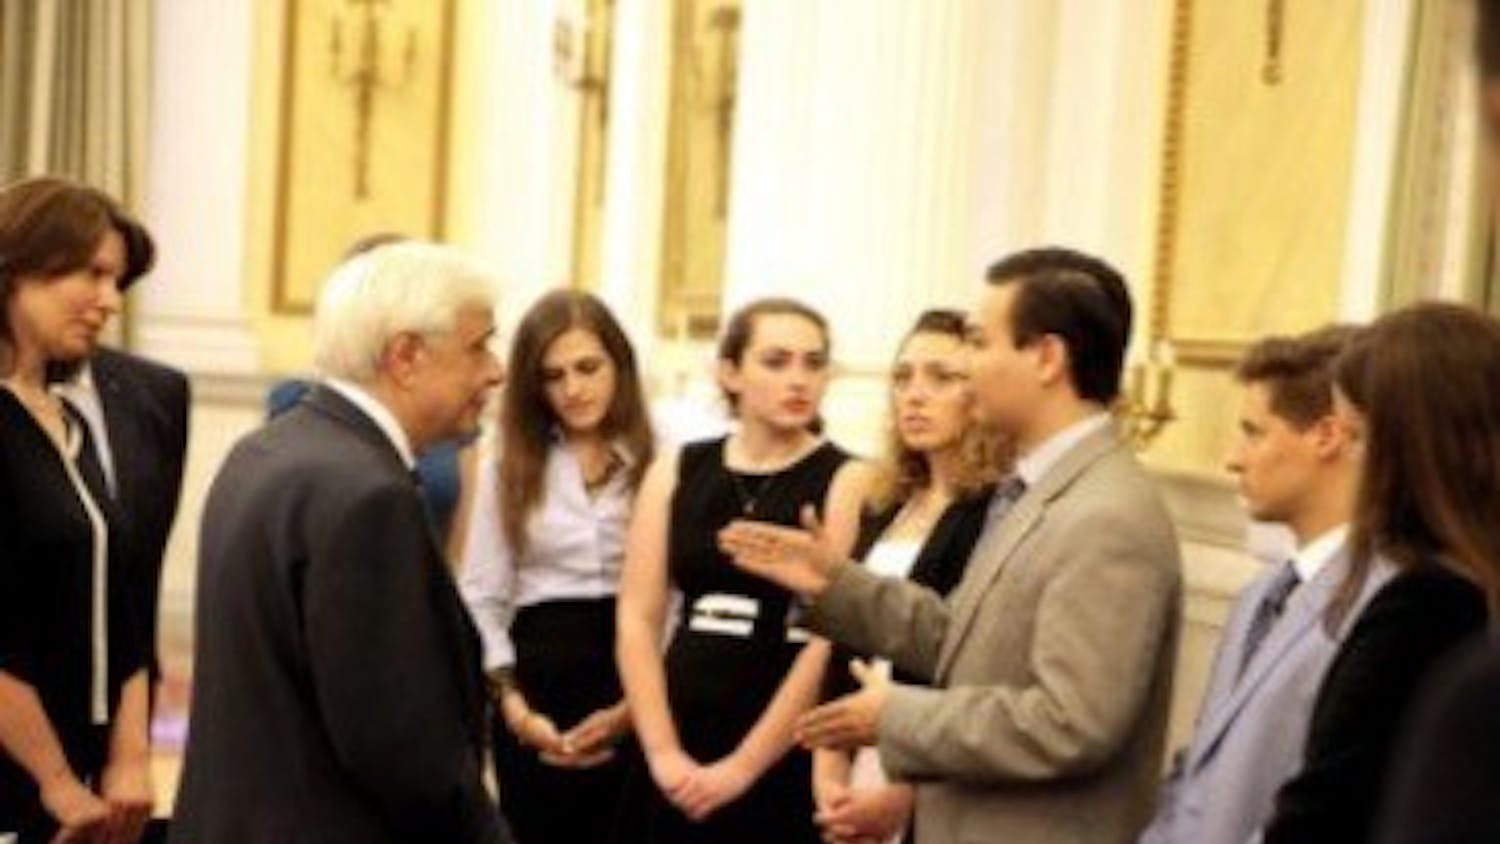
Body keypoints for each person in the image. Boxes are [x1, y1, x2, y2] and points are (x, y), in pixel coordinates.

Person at [720, 248, 1182, 844]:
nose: (969, 365)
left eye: (981, 343)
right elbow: (958, 635)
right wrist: (835, 584)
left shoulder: (1107, 513)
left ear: (1046, 358)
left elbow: (1071, 724)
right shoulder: (1036, 489)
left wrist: (896, 717)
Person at [169, 243, 511, 843]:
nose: (496, 370)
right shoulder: (368, 496)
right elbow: (401, 746)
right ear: (406, 356)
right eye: (478, 345)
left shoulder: (268, 451)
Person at [613, 298, 870, 844]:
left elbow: (829, 639)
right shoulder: (679, 466)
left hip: (781, 735)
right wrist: (661, 752)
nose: (799, 379)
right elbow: (637, 615)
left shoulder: (848, 478)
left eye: (813, 363)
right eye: (776, 362)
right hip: (678, 725)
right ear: (730, 372)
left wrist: (744, 767)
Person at [1260, 303, 1491, 843]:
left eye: (1359, 437)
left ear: (1414, 450)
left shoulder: (1423, 609)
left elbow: (1323, 814)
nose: (1349, 461)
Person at [1139, 326, 1376, 844]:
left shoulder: (1379, 609)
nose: (1232, 458)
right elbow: (1198, 766)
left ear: (1327, 435)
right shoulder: (1259, 595)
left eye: (1254, 432)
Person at [458, 290, 654, 843]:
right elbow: (483, 595)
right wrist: (516, 711)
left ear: (619, 364)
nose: (573, 388)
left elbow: (675, 593)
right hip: (537, 685)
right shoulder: (510, 466)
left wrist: (631, 710)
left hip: (636, 681)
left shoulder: (662, 457)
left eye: (588, 367)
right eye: (553, 375)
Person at [812, 309, 1006, 844]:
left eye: (941, 378)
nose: (914, 394)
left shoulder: (991, 513)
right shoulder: (884, 502)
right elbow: (842, 643)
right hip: (856, 751)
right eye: (903, 377)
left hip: (928, 766)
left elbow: (972, 668)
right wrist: (828, 770)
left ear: (982, 393)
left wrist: (905, 794)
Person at [0, 177, 155, 843]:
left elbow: (121, 606)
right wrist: (55, 780)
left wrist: (130, 757)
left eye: (117, 281)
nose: (109, 302)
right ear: (18, 270)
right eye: (92, 274)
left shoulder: (70, 423)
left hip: (81, 786)